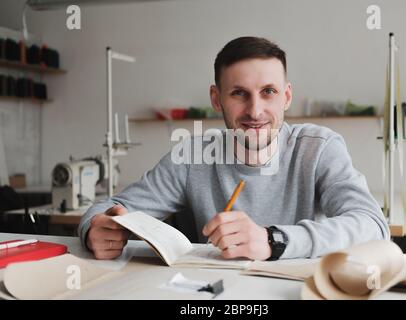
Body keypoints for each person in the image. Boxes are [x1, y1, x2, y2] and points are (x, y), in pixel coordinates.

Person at [79, 36, 389, 261]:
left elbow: (374, 226)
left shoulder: (319, 148)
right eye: (239, 93)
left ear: (287, 96)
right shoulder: (191, 157)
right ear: (216, 99)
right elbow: (109, 207)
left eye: (268, 92)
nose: (255, 111)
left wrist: (273, 241)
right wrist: (94, 229)